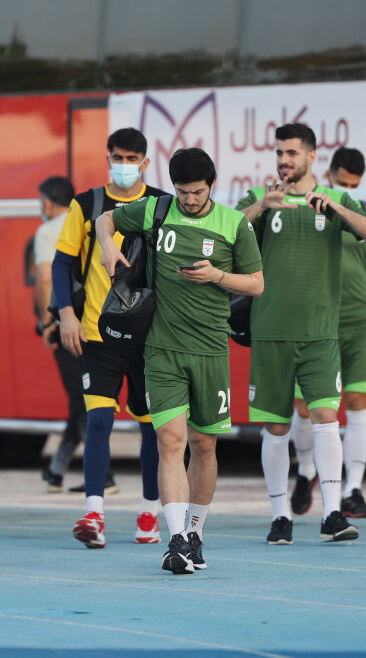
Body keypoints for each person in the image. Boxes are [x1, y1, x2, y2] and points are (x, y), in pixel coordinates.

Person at [97, 146, 264, 574]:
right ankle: (175, 542)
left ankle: (195, 534)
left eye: (197, 192)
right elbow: (105, 219)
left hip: (211, 351)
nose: (189, 199)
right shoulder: (156, 210)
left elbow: (256, 284)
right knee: (170, 442)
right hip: (162, 350)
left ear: (212, 185)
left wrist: (217, 276)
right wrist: (107, 246)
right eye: (183, 191)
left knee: (204, 445)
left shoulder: (234, 223)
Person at [236, 125, 366, 546]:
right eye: (279, 153)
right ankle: (280, 516)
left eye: (292, 153)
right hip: (271, 333)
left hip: (321, 335)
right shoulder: (260, 196)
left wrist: (337, 211)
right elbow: (225, 230)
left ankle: (333, 513)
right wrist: (261, 206)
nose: (284, 160)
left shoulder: (336, 199)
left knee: (326, 418)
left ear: (312, 156)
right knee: (276, 428)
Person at [54, 128, 165, 548]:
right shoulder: (86, 204)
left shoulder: (160, 205)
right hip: (96, 334)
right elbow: (61, 263)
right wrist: (65, 313)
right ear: (108, 159)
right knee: (99, 420)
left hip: (147, 336)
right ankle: (95, 514)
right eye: (118, 157)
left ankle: (149, 513)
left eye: (132, 158)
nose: (124, 165)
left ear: (145, 162)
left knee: (152, 429)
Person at [327, 147, 366, 519]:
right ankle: (308, 473)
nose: (347, 189)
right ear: (329, 175)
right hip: (321, 322)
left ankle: (353, 488)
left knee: (357, 404)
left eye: (353, 185)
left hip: (361, 320)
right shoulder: (314, 209)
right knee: (313, 408)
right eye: (341, 183)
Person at [34, 176, 86, 493]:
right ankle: (56, 470)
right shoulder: (85, 222)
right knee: (84, 397)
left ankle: (102, 474)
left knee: (81, 398)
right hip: (92, 319)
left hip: (66, 322)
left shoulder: (48, 230)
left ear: (48, 202)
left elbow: (44, 279)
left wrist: (47, 322)